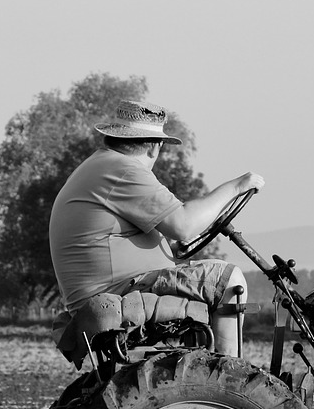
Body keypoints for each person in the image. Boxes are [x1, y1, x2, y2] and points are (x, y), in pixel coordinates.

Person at [49, 99, 263, 356]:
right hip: (117, 291)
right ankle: (229, 378)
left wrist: (168, 247)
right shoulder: (122, 170)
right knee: (229, 280)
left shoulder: (101, 165)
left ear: (112, 136)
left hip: (108, 288)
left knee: (210, 277)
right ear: (154, 147)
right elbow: (183, 225)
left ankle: (205, 373)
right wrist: (236, 187)